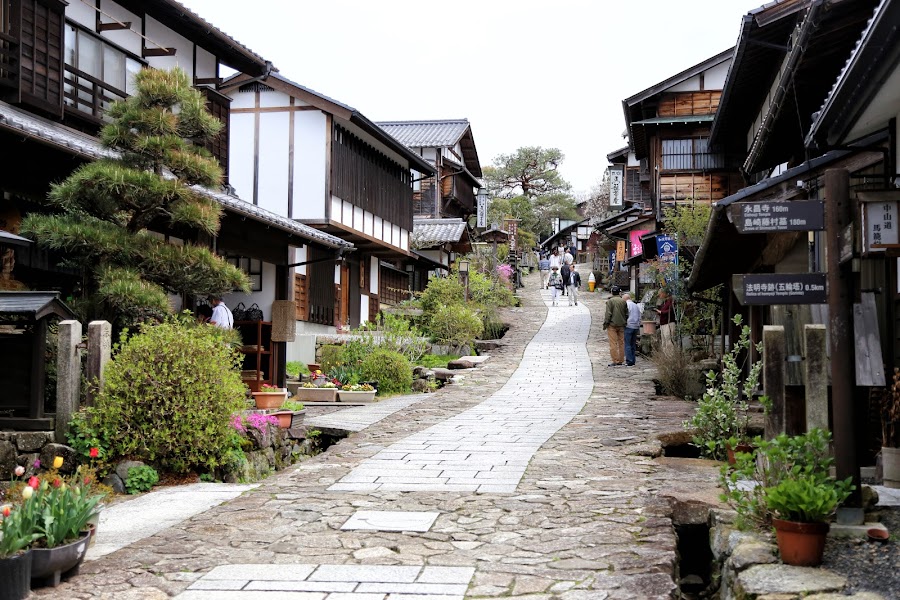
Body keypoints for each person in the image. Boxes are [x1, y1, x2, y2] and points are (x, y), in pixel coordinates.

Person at [602, 285, 628, 366]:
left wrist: (605, 323)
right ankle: (621, 359)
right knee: (621, 343)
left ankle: (615, 360)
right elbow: (626, 313)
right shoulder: (623, 301)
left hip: (612, 324)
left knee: (613, 343)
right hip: (621, 324)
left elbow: (608, 314)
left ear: (612, 292)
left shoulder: (610, 301)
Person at [623, 292, 642, 366]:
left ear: (625, 299)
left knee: (627, 344)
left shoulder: (626, 305)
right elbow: (640, 315)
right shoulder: (636, 305)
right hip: (636, 326)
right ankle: (633, 360)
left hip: (629, 325)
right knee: (633, 344)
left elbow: (625, 315)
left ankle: (629, 361)